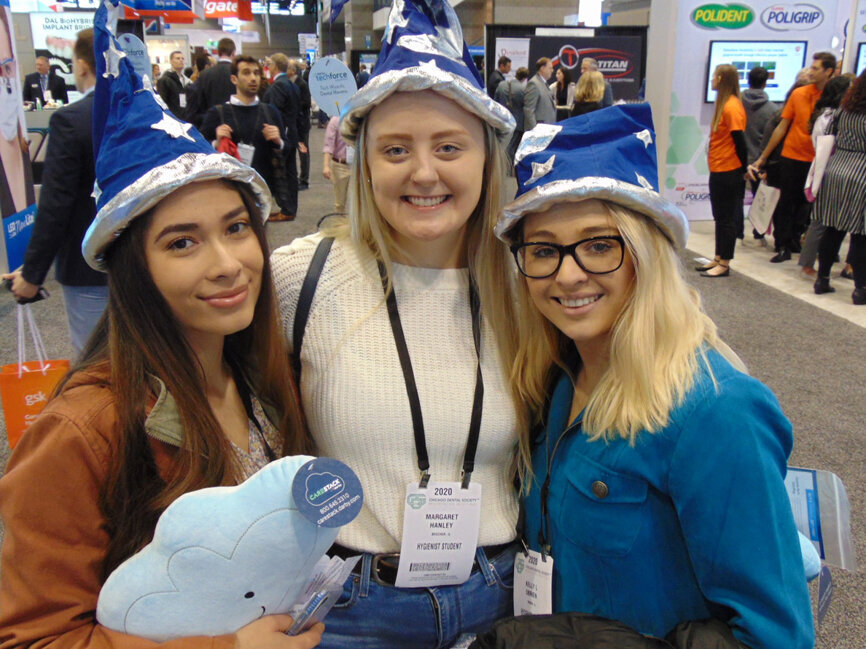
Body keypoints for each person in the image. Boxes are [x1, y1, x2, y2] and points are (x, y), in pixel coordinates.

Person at [0, 5, 322, 648]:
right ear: (133, 268)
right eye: (182, 243)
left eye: (236, 229)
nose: (228, 265)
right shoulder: (87, 430)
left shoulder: (259, 374)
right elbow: (31, 637)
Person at [496, 104, 814, 649]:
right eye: (544, 250)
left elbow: (776, 636)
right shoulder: (554, 379)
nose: (568, 275)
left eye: (599, 245)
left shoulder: (714, 410)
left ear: (645, 252)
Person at [270, 1, 521, 647]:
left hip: (502, 599)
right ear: (365, 163)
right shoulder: (304, 275)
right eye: (396, 149)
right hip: (351, 607)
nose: (424, 172)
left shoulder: (526, 282)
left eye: (448, 147)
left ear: (486, 159)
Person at [1, 29, 107, 357]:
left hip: (88, 266)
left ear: (81, 65)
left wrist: (32, 274)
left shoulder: (71, 120)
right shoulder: (143, 115)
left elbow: (55, 205)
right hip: (146, 263)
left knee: (96, 366)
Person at [750, 51, 836, 262]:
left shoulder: (833, 99)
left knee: (806, 205)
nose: (812, 72)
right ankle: (782, 246)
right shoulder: (798, 95)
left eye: (817, 68)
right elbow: (782, 127)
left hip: (818, 161)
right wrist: (763, 157)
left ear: (829, 71)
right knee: (786, 203)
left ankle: (796, 240)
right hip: (791, 157)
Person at [201, 56, 292, 222]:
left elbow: (287, 149)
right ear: (234, 79)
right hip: (229, 191)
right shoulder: (218, 113)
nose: (253, 78)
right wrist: (216, 143)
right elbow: (198, 152)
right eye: (246, 73)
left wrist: (279, 141)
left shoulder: (270, 112)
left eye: (256, 73)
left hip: (263, 190)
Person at [812, 68, 866, 304]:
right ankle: (860, 289)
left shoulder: (844, 110)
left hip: (835, 170)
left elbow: (830, 136)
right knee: (861, 234)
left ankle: (822, 279)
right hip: (862, 173)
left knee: (832, 228)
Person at [797, 75, 852, 279]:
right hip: (828, 170)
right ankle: (809, 263)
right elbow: (822, 146)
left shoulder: (827, 116)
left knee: (827, 221)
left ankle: (817, 262)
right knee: (821, 221)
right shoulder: (831, 118)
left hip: (828, 169)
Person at [697, 64, 746, 278]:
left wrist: (744, 169)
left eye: (714, 76)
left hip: (729, 170)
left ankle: (724, 263)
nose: (711, 80)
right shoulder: (724, 104)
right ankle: (718, 257)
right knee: (720, 216)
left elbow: (740, 141)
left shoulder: (732, 107)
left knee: (726, 218)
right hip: (719, 167)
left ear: (721, 78)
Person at [262, 53, 308, 221]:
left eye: (268, 64)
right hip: (292, 132)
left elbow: (274, 112)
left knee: (283, 172)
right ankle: (288, 208)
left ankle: (287, 208)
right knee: (290, 171)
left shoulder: (278, 86)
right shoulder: (291, 84)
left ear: (274, 66)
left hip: (282, 134)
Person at [185, 37, 236, 128]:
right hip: (235, 125)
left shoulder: (205, 74)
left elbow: (198, 104)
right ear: (234, 52)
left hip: (211, 126)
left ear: (218, 52)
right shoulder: (238, 73)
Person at [494, 66, 529, 169]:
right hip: (518, 123)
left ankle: (499, 167)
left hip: (501, 120)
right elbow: (526, 107)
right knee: (512, 147)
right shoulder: (523, 89)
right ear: (525, 78)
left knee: (501, 144)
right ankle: (507, 168)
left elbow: (495, 101)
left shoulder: (501, 85)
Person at [290, 59, 312, 190]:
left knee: (303, 152)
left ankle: (304, 179)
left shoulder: (302, 84)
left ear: (293, 70)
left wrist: (293, 104)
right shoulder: (288, 83)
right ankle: (296, 178)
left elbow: (307, 103)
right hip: (293, 123)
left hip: (302, 124)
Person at [322, 114, 350, 214]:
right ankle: (339, 226)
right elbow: (328, 145)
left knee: (362, 201)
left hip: (358, 165)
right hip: (340, 165)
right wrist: (326, 166)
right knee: (340, 203)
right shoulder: (335, 120)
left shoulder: (361, 118)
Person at [157, 50, 191, 119]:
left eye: (182, 58)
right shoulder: (164, 80)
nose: (181, 60)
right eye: (178, 58)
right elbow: (162, 102)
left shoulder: (187, 81)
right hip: (172, 118)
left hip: (186, 118)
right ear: (171, 61)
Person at [524, 57, 556, 131]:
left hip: (547, 129)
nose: (552, 70)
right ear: (542, 68)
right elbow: (529, 110)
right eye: (550, 68)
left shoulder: (544, 84)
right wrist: (534, 130)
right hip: (539, 131)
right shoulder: (534, 84)